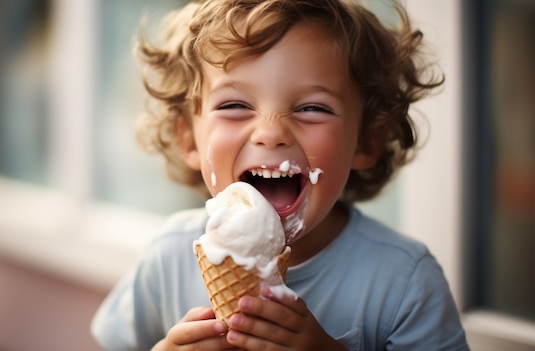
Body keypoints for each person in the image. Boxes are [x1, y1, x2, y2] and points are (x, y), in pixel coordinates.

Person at [91, 0, 470, 350]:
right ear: (189, 137)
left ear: (367, 141)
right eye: (235, 104)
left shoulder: (404, 283)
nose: (271, 132)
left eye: (312, 108)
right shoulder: (167, 257)